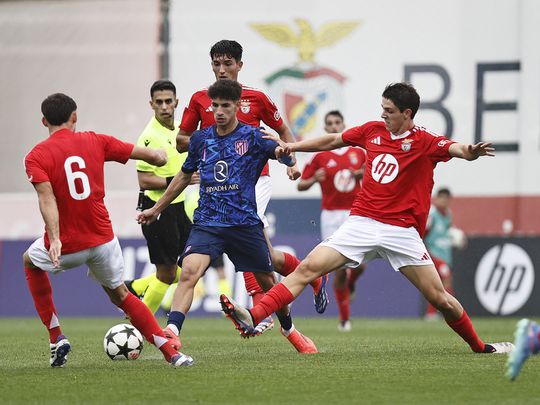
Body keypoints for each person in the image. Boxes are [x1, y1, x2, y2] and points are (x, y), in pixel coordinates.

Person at [220, 82, 514, 354]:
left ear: (406, 113)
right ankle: (253, 316)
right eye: (382, 109)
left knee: (440, 300)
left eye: (389, 111)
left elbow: (456, 148)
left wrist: (470, 152)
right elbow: (333, 140)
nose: (383, 115)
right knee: (308, 268)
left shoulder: (424, 140)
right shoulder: (372, 130)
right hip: (361, 223)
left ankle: (480, 346)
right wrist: (292, 147)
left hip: (401, 232)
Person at [137, 79, 317, 357]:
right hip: (208, 223)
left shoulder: (255, 137)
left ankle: (290, 330)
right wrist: (156, 208)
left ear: (236, 107)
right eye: (215, 106)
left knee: (269, 283)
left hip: (244, 223)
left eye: (225, 106)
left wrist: (288, 159)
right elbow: (184, 176)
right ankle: (172, 332)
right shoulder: (201, 139)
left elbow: (282, 153)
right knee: (188, 273)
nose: (219, 111)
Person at [23, 93, 192, 368]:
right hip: (103, 241)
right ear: (74, 117)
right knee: (122, 296)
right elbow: (142, 154)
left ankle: (56, 337)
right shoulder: (95, 140)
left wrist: (54, 239)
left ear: (44, 121)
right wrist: (159, 156)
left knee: (29, 262)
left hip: (68, 245)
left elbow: (46, 199)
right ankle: (172, 353)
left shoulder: (35, 156)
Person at [177, 40, 328, 322]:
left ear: (239, 65)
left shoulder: (257, 98)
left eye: (228, 64)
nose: (221, 70)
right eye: (216, 64)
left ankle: (259, 309)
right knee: (265, 252)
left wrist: (291, 163)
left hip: (255, 179)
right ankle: (313, 276)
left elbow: (281, 129)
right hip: (219, 182)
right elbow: (181, 140)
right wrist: (206, 143)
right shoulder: (201, 99)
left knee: (240, 225)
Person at [122, 80, 193, 314]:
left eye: (168, 101)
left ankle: (136, 287)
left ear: (176, 103)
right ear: (151, 104)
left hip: (180, 207)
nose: (164, 106)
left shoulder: (182, 130)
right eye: (159, 102)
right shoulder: (149, 137)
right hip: (158, 209)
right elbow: (144, 180)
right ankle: (141, 324)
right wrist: (179, 178)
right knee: (167, 273)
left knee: (192, 266)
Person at [297, 110, 366, 332]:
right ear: (325, 128)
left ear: (343, 124)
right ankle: (345, 319)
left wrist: (362, 172)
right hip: (330, 215)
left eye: (337, 122)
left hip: (355, 212)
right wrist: (313, 179)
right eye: (330, 123)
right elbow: (301, 184)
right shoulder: (319, 156)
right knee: (338, 270)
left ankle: (352, 282)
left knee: (361, 263)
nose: (334, 126)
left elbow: (375, 171)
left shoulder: (358, 152)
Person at [423, 187, 464, 319]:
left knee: (438, 284)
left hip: (445, 255)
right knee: (447, 279)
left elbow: (448, 232)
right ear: (437, 198)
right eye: (442, 198)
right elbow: (424, 233)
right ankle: (450, 312)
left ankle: (432, 313)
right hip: (434, 254)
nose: (444, 201)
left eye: (447, 198)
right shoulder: (432, 215)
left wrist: (458, 238)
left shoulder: (448, 215)